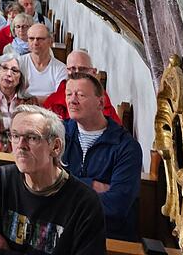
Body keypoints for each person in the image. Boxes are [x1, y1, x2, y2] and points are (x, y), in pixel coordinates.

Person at [0, 105, 106, 254]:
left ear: (55, 147)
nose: (20, 145)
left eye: (32, 138)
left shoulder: (84, 203)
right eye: (15, 136)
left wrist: (5, 250)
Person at [62, 73, 142, 240]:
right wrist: (91, 185)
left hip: (107, 237)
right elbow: (43, 184)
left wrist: (64, 190)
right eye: (69, 94)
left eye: (81, 95)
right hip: (63, 231)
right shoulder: (58, 135)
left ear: (100, 102)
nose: (72, 100)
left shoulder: (126, 147)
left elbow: (116, 207)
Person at [43, 50, 120, 122]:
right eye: (72, 69)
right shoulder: (56, 99)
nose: (77, 73)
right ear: (66, 72)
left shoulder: (101, 101)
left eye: (82, 69)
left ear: (93, 72)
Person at [19, 23, 67, 102]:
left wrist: (31, 100)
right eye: (31, 38)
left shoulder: (61, 68)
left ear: (50, 41)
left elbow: (60, 98)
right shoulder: (19, 63)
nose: (35, 42)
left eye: (40, 39)